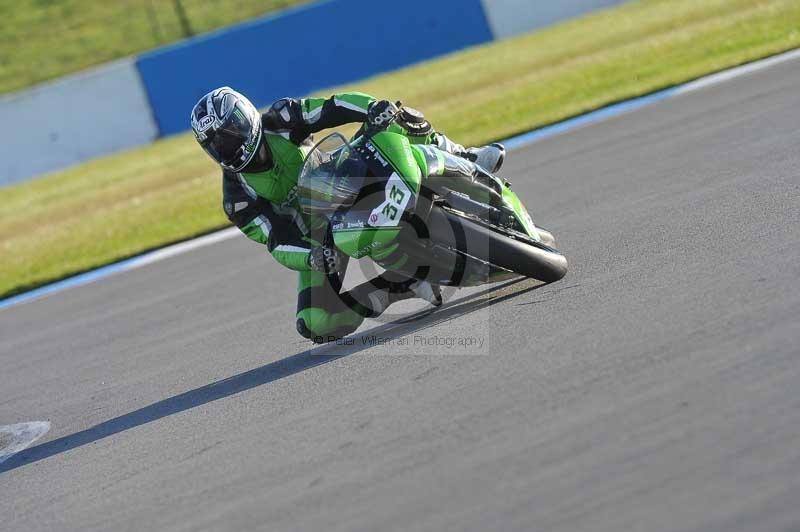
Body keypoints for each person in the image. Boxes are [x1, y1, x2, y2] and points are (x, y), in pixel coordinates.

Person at [190, 87, 505, 343]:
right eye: (215, 145)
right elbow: (278, 241)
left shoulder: (282, 118)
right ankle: (398, 285)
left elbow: (333, 107)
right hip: (323, 235)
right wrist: (312, 256)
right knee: (315, 323)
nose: (226, 147)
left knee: (395, 120)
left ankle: (464, 154)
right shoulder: (237, 199)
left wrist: (372, 109)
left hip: (341, 173)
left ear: (245, 118)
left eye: (229, 134)